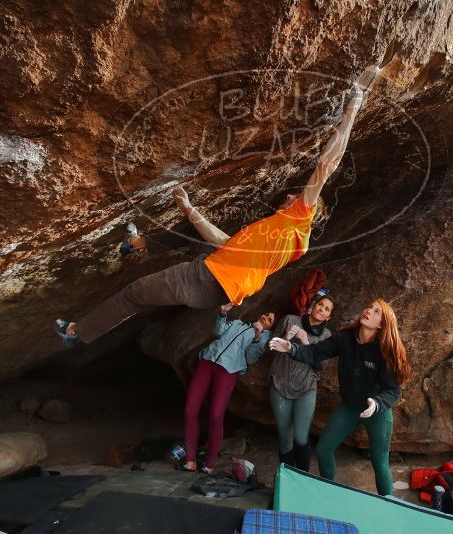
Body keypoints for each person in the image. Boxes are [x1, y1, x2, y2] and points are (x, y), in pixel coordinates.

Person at [54, 63, 382, 346]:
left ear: (309, 209)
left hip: (207, 279)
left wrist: (354, 105)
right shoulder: (283, 241)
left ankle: (77, 331)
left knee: (133, 294)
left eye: (297, 197)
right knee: (177, 252)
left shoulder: (296, 220)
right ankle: (133, 251)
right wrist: (189, 208)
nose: (290, 197)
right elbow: (222, 242)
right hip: (215, 291)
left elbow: (327, 164)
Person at [269, 299, 410, 495]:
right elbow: (315, 352)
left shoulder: (385, 350)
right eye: (369, 306)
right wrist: (291, 348)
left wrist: (377, 403)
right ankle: (328, 493)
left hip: (377, 411)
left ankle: (388, 506)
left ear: (381, 324)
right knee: (323, 449)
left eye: (376, 311)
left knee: (379, 462)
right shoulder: (345, 338)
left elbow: (393, 391)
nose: (368, 310)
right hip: (350, 407)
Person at [182, 304, 275, 473]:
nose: (265, 318)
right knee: (190, 410)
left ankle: (209, 464)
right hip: (207, 362)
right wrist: (223, 313)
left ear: (270, 327)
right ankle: (190, 460)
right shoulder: (238, 323)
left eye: (270, 320)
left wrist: (257, 336)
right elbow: (218, 332)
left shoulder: (263, 338)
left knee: (216, 415)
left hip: (228, 371)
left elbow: (251, 358)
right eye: (266, 314)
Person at [250, 291, 336, 471]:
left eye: (327, 309)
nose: (322, 309)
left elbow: (321, 366)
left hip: (306, 387)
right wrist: (285, 339)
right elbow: (269, 348)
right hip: (281, 382)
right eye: (321, 305)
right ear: (314, 305)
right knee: (284, 436)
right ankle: (287, 476)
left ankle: (302, 477)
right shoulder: (290, 320)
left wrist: (305, 342)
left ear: (328, 316)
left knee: (301, 436)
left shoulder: (326, 335)